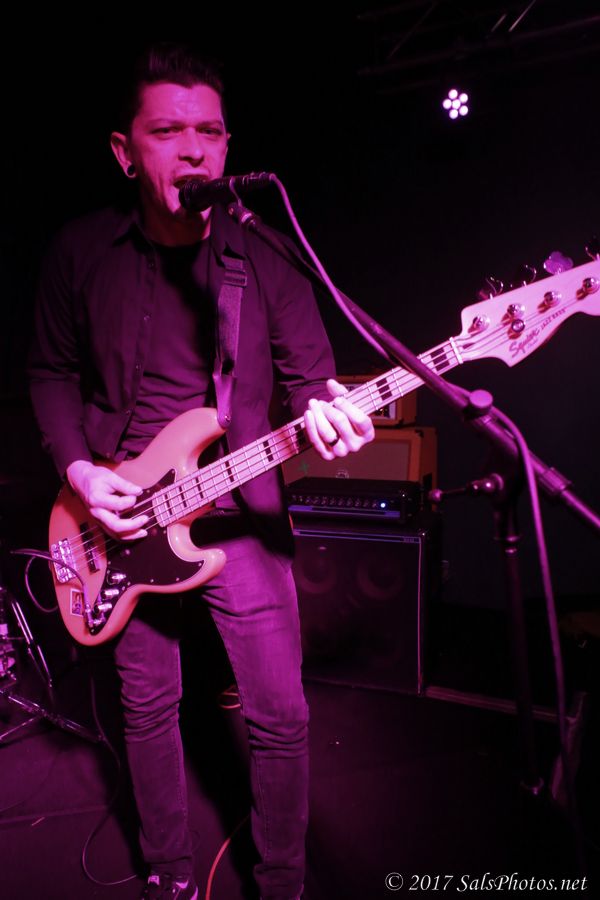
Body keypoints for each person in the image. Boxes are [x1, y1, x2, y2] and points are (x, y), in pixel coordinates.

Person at [29, 44, 374, 900]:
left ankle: (284, 882)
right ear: (125, 151)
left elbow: (311, 381)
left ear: (228, 145)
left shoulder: (267, 254)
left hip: (241, 512)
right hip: (119, 519)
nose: (194, 151)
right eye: (168, 131)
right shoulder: (80, 252)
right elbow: (49, 372)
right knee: (147, 710)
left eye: (211, 132)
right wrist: (80, 471)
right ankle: (169, 874)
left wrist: (330, 413)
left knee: (281, 716)